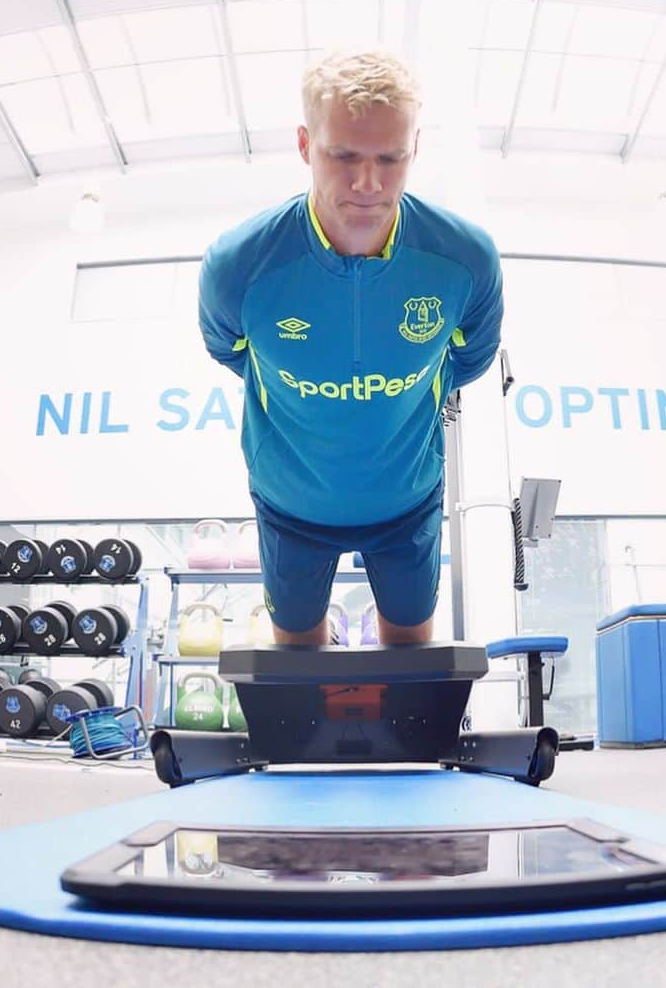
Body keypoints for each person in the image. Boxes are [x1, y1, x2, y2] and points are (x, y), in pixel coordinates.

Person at [198, 48, 503, 646]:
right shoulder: (239, 264)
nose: (369, 183)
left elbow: (470, 359)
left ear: (414, 148)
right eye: (344, 156)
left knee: (410, 671)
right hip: (290, 505)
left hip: (406, 503)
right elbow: (228, 348)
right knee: (298, 679)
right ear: (306, 144)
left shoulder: (464, 259)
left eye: (391, 158)